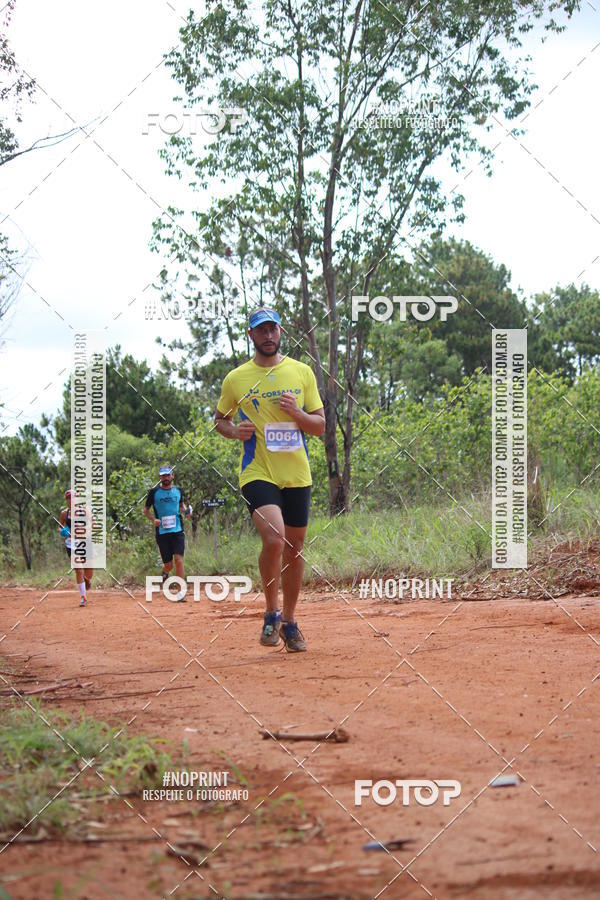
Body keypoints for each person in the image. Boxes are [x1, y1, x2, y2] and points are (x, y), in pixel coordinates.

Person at [215, 307, 325, 651]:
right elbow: (220, 420)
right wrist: (234, 431)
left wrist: (297, 413)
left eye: (272, 329)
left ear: (280, 332)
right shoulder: (236, 379)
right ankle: (271, 613)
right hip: (257, 471)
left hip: (296, 473)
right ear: (251, 336)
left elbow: (319, 427)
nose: (267, 336)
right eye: (260, 331)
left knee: (295, 548)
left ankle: (290, 623)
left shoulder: (301, 372)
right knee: (275, 538)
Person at [144, 465, 192, 602]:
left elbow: (182, 506)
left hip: (177, 531)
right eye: (163, 475)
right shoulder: (154, 493)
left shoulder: (178, 491)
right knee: (169, 564)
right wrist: (154, 520)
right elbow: (146, 510)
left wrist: (187, 511)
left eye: (168, 475)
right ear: (160, 477)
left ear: (172, 476)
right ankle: (165, 572)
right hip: (162, 532)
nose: (165, 478)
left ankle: (181, 592)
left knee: (179, 560)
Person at [59, 489, 93, 607]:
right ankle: (83, 597)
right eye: (68, 498)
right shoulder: (64, 513)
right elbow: (59, 526)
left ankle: (86, 579)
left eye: (73, 498)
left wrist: (85, 531)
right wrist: (63, 531)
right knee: (78, 569)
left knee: (88, 571)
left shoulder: (85, 511)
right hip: (71, 544)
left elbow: (93, 523)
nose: (70, 500)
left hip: (85, 542)